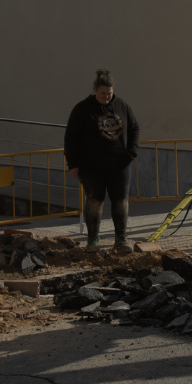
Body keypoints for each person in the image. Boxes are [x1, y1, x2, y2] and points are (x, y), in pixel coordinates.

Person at [64, 69, 140, 252]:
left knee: (121, 200)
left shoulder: (122, 105)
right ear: (95, 90)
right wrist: (72, 164)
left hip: (119, 165)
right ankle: (93, 240)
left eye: (110, 93)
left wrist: (132, 151)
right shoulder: (82, 109)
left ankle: (121, 239)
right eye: (103, 93)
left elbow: (134, 127)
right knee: (94, 201)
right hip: (91, 167)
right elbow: (70, 137)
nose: (107, 97)